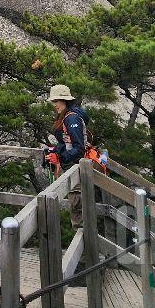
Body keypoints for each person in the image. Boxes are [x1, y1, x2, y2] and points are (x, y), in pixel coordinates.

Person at [44, 84, 90, 228]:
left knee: (76, 205)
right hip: (73, 165)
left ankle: (82, 245)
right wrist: (55, 151)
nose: (55, 105)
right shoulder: (67, 116)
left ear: (65, 101)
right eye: (54, 101)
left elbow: (79, 148)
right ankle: (81, 243)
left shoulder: (71, 119)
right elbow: (66, 142)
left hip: (75, 166)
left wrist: (61, 157)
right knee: (76, 204)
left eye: (57, 101)